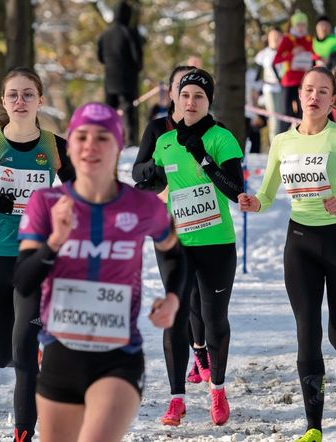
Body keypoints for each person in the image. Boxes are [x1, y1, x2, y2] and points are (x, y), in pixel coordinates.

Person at [238, 55, 336, 442]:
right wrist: (255, 203)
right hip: (300, 244)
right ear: (298, 98)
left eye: (323, 91)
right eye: (308, 90)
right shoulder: (282, 142)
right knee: (307, 332)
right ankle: (313, 426)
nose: (314, 96)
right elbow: (269, 195)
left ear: (333, 99)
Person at [13, 102, 182, 442]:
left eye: (102, 137)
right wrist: (56, 241)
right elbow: (23, 282)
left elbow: (175, 254)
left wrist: (173, 298)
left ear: (118, 146)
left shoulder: (144, 205)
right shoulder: (46, 203)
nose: (91, 146)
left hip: (118, 360)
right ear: (70, 146)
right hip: (60, 357)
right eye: (82, 137)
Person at [0, 67, 75, 442]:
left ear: (40, 100)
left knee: (24, 354)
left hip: (35, 257)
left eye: (28, 94)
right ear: (3, 101)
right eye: (13, 95)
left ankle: (23, 432)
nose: (20, 101)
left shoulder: (55, 146)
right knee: (4, 355)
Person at [153, 69, 245, 427]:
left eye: (199, 97)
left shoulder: (223, 138)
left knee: (213, 318)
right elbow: (158, 187)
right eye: (186, 95)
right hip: (175, 244)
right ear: (176, 98)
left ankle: (217, 390)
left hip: (216, 244)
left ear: (209, 102)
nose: (191, 102)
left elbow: (235, 190)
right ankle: (176, 400)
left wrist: (204, 159)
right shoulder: (164, 143)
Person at [132, 65, 213, 398]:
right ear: (172, 94)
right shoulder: (157, 129)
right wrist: (159, 167)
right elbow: (138, 172)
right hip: (167, 223)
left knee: (200, 295)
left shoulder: (212, 129)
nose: (187, 96)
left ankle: (202, 350)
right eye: (181, 88)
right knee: (181, 293)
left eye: (194, 90)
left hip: (203, 223)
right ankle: (196, 355)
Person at [97, 0, 143, 146]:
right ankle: (130, 142)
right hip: (127, 80)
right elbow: (137, 57)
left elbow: (100, 57)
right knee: (129, 112)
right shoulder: (130, 33)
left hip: (110, 79)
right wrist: (135, 69)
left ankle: (106, 139)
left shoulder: (105, 34)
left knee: (109, 112)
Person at [273, 11, 317, 120]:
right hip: (289, 81)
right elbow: (276, 60)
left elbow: (315, 57)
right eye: (298, 25)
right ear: (293, 26)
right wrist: (291, 55)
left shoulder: (309, 39)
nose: (301, 28)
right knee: (287, 113)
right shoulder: (287, 39)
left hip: (304, 82)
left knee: (304, 111)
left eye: (303, 25)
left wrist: (315, 57)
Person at [255, 27, 288, 142]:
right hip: (269, 88)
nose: (275, 39)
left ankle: (283, 143)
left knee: (283, 117)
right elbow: (256, 76)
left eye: (277, 37)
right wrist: (258, 94)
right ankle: (274, 144)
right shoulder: (263, 54)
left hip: (283, 88)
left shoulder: (285, 52)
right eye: (272, 36)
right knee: (274, 117)